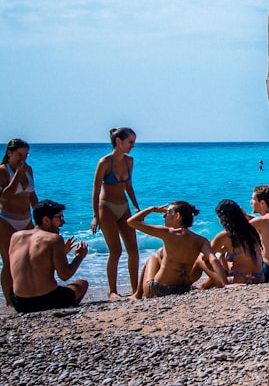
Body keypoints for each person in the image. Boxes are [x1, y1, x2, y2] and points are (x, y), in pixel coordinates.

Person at [129, 202, 226, 299]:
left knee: (152, 259)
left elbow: (131, 222)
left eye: (168, 213)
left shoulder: (168, 233)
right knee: (160, 253)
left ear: (177, 216)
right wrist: (225, 284)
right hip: (183, 289)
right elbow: (213, 259)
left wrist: (152, 209)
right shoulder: (201, 240)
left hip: (159, 290)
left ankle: (137, 295)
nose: (164, 216)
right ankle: (136, 294)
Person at [8, 200, 88, 313]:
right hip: (48, 300)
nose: (63, 222)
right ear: (46, 220)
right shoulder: (54, 239)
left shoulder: (16, 237)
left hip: (20, 303)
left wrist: (62, 253)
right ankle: (67, 308)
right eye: (59, 218)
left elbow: (29, 266)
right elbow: (65, 275)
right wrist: (79, 256)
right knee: (82, 284)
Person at [91, 127, 141, 298]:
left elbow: (129, 186)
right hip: (106, 207)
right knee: (116, 251)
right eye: (130, 142)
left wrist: (136, 207)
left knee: (133, 249)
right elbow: (96, 190)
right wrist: (95, 216)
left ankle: (136, 290)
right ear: (119, 142)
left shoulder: (129, 161)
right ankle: (112, 291)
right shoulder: (104, 162)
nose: (133, 145)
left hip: (124, 206)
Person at [1, 139, 38, 306]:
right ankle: (9, 301)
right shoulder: (2, 171)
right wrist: (17, 174)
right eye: (19, 155)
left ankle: (28, 294)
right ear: (9, 153)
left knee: (31, 259)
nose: (22, 159)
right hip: (7, 219)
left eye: (25, 155)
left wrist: (39, 214)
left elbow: (31, 194)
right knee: (9, 261)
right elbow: (5, 196)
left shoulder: (28, 169)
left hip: (27, 219)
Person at [203, 199, 264, 286]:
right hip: (259, 278)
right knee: (224, 257)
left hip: (241, 281)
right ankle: (203, 285)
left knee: (200, 260)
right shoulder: (252, 229)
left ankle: (189, 284)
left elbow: (206, 257)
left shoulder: (224, 236)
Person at [249, 185, 269, 283]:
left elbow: (239, 232)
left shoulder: (260, 221)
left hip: (268, 271)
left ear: (262, 203)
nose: (251, 202)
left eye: (253, 199)